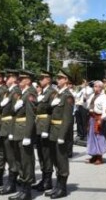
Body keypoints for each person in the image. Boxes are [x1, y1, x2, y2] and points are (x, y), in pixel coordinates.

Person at [45, 69, 74, 199]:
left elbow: (67, 119)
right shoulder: (58, 95)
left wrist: (62, 136)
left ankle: (62, 188)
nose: (58, 80)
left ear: (66, 80)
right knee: (55, 159)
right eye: (58, 77)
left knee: (62, 160)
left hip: (60, 132)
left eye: (61, 78)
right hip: (53, 130)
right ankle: (57, 185)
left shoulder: (67, 96)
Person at [8, 70, 37, 200]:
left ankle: (27, 192)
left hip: (24, 130)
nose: (18, 82)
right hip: (17, 130)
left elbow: (31, 117)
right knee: (19, 160)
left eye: (21, 80)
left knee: (26, 162)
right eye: (18, 80)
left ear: (28, 80)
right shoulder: (22, 94)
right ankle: (23, 189)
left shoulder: (30, 93)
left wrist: (27, 135)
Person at [31, 70, 56, 193]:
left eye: (42, 78)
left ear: (48, 79)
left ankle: (48, 181)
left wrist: (47, 128)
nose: (40, 80)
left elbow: (53, 112)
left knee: (47, 154)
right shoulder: (43, 92)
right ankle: (44, 179)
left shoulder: (52, 93)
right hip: (39, 126)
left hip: (45, 127)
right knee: (41, 153)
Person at [86, 80, 106, 165]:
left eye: (96, 86)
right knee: (91, 136)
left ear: (101, 87)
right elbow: (88, 105)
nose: (94, 88)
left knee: (98, 136)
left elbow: (104, 109)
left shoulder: (104, 96)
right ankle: (93, 155)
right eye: (94, 86)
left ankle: (99, 157)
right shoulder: (92, 95)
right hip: (91, 117)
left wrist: (101, 119)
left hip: (98, 117)